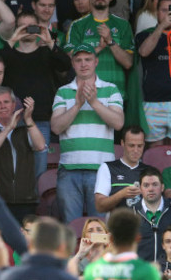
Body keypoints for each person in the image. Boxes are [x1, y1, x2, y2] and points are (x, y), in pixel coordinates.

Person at [51, 43, 124, 223]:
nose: (84, 64)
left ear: (96, 62)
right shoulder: (63, 92)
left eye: (88, 59)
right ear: (73, 64)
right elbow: (56, 127)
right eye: (78, 60)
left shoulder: (111, 89)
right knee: (71, 228)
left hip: (101, 170)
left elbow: (119, 123)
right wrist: (77, 105)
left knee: (100, 228)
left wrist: (94, 102)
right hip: (69, 169)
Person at [0, 11, 72, 178]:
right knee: (13, 169)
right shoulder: (9, 54)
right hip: (13, 120)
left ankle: (39, 204)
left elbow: (66, 65)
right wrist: (13, 39)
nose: (27, 30)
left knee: (40, 172)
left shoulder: (47, 52)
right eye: (22, 26)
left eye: (31, 26)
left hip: (41, 119)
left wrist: (50, 42)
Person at [0, 87, 45, 223]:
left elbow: (40, 146)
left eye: (6, 102)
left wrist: (29, 119)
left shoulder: (27, 127)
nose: (3, 106)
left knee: (24, 243)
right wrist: (8, 129)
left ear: (13, 105)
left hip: (25, 201)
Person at [64, 0, 134, 97]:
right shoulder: (77, 25)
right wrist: (98, 48)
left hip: (115, 95)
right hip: (85, 94)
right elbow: (71, 59)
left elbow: (128, 63)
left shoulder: (123, 25)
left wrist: (111, 42)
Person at [136, 0, 171, 146]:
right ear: (156, 13)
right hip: (154, 103)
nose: (168, 14)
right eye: (163, 10)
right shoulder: (145, 35)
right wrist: (161, 27)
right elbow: (143, 52)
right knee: (155, 154)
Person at [95, 126, 151, 213]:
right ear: (122, 143)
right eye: (131, 145)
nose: (136, 150)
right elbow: (100, 206)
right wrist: (121, 194)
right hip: (118, 224)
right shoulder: (108, 168)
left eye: (139, 146)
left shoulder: (150, 171)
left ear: (144, 145)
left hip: (145, 224)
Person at [132, 168, 171, 263]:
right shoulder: (130, 214)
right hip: (142, 273)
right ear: (140, 189)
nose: (150, 189)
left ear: (162, 187)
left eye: (155, 184)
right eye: (146, 185)